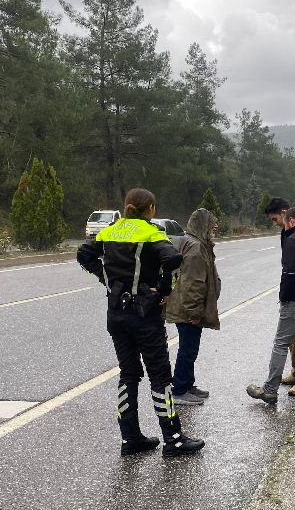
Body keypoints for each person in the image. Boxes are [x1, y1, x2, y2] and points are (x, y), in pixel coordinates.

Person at [77, 188, 205, 457]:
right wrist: (162, 290)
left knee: (128, 374)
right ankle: (173, 438)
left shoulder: (110, 230)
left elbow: (84, 254)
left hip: (116, 314)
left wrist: (106, 278)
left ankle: (130, 437)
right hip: (144, 314)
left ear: (126, 207)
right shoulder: (150, 231)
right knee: (160, 376)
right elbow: (172, 258)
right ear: (150, 209)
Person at [247, 207, 295, 410]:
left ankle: (270, 390)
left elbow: (289, 273)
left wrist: (284, 298)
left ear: (291, 221)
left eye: (283, 223)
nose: (283, 226)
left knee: (281, 343)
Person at [166, 208, 222, 406]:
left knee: (190, 348)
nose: (215, 227)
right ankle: (180, 390)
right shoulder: (196, 247)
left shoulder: (194, 242)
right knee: (188, 349)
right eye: (211, 223)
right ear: (202, 224)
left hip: (186, 305)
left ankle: (188, 385)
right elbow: (193, 282)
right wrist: (194, 311)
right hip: (188, 308)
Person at [263, 197, 295, 396]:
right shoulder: (287, 232)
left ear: (285, 214)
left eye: (275, 219)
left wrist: (285, 294)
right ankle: (294, 372)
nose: (274, 224)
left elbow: (294, 268)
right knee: (294, 338)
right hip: (293, 293)